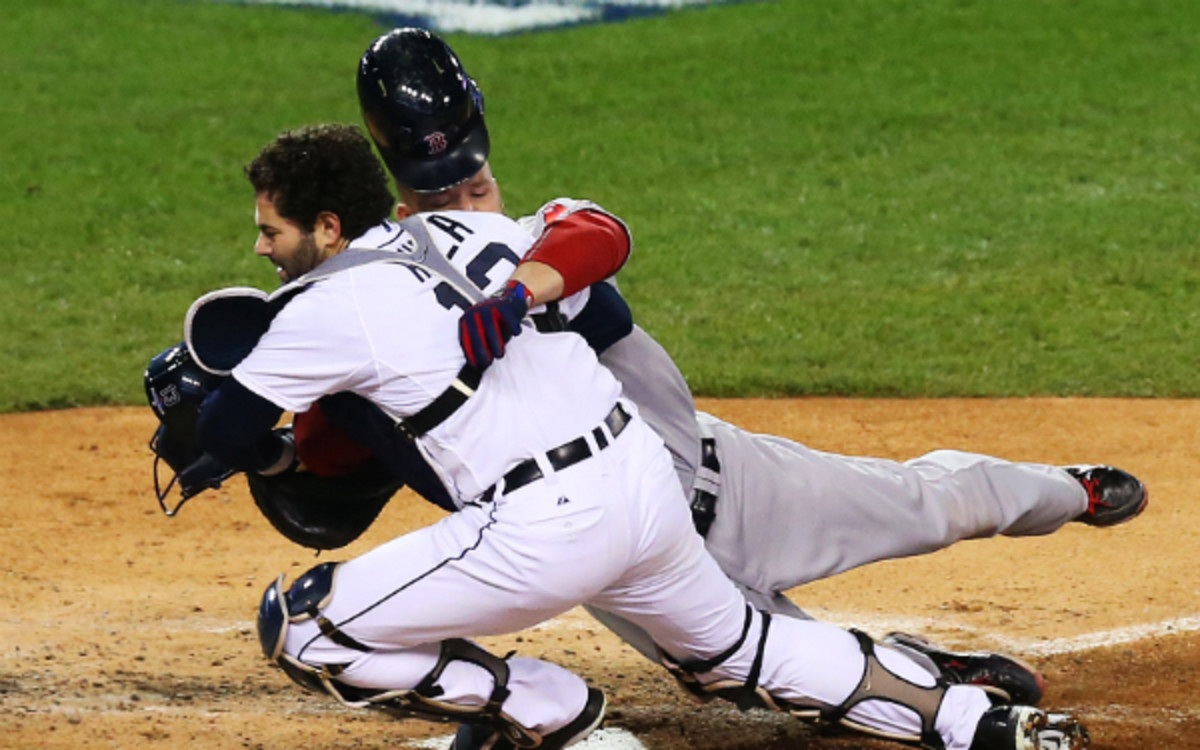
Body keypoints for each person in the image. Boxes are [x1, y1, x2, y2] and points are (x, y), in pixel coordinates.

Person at [191, 123, 1085, 750]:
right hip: (643, 483)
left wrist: (225, 414)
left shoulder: (321, 307)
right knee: (742, 648)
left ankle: (546, 708)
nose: (262, 247)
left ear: (329, 227)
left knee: (303, 626)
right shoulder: (470, 227)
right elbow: (594, 235)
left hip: (546, 527)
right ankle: (982, 726)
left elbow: (230, 430)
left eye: (271, 229)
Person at [350, 26, 1147, 707]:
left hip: (737, 486)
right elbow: (334, 481)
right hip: (630, 566)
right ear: (405, 219)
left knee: (931, 503)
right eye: (448, 203)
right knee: (770, 680)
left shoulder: (541, 244)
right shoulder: (404, 332)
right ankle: (929, 672)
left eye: (481, 188)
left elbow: (600, 235)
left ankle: (1066, 490)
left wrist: (520, 292)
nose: (473, 210)